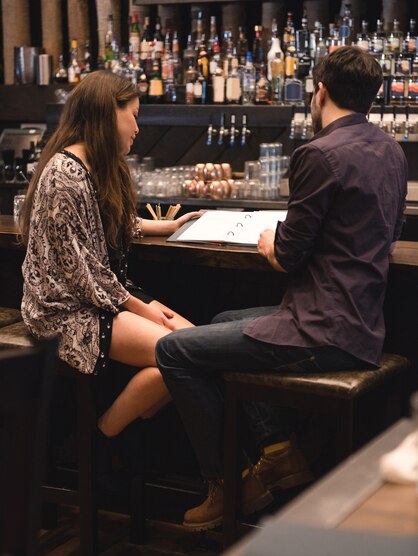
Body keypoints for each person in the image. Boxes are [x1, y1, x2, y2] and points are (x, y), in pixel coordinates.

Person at [156, 46, 408, 531]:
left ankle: (227, 483)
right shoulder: (392, 150)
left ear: (320, 92)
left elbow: (288, 255)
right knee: (224, 324)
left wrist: (270, 238)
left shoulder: (318, 152)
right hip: (362, 325)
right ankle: (278, 453)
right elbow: (389, 235)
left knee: (173, 351)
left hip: (320, 332)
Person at [20, 71, 201, 487]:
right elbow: (85, 276)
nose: (138, 128)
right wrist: (145, 309)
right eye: (132, 117)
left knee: (195, 348)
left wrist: (167, 227)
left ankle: (106, 435)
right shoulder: (63, 175)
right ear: (107, 114)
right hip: (63, 312)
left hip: (99, 301)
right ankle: (96, 442)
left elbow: (109, 226)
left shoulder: (94, 166)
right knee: (183, 353)